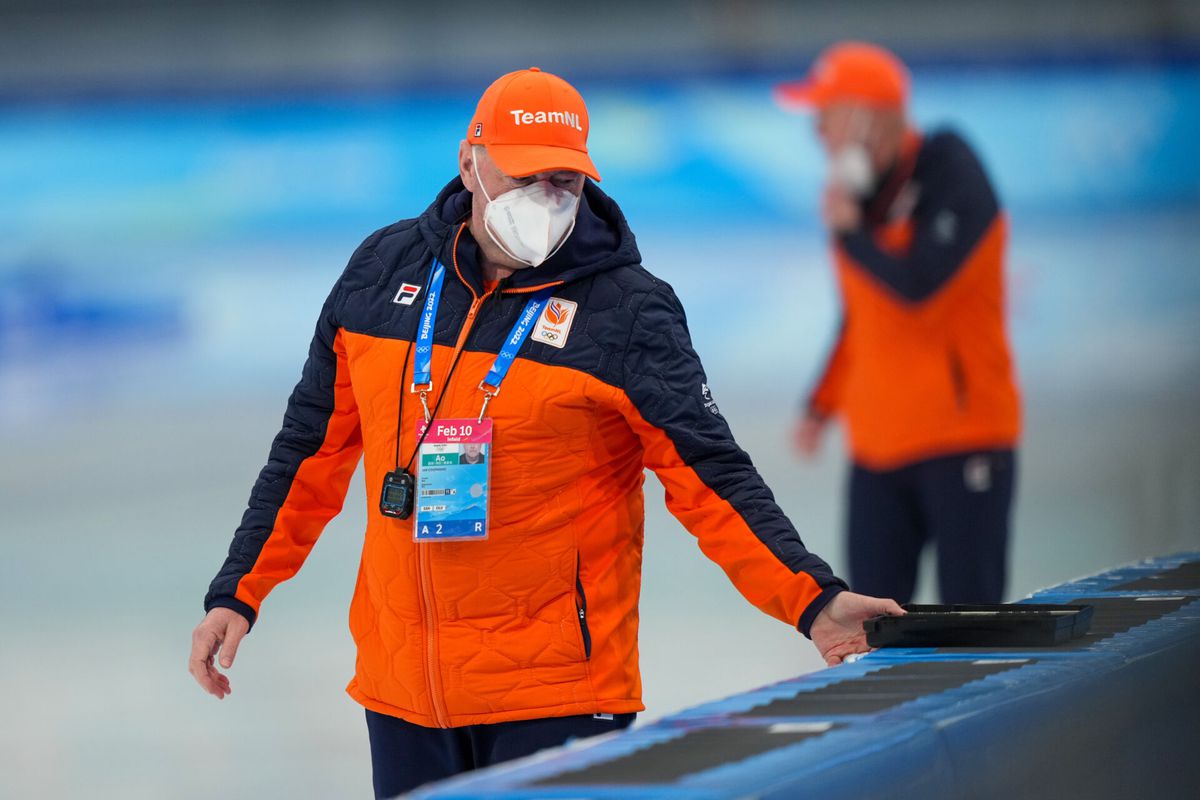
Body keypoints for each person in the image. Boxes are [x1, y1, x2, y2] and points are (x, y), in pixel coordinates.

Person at [189, 67, 902, 799]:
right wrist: (238, 591)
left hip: (557, 693)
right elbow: (310, 447)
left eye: (565, 178)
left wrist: (812, 600)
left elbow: (710, 477)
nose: (547, 198)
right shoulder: (382, 271)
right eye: (527, 175)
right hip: (403, 692)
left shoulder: (627, 313)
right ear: (470, 162)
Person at [775, 43, 1021, 605]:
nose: (817, 135)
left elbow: (919, 287)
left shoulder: (949, 167)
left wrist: (853, 232)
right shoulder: (858, 198)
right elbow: (861, 316)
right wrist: (821, 402)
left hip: (964, 440)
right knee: (875, 639)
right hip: (878, 453)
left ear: (865, 120)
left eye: (825, 118)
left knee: (972, 631)